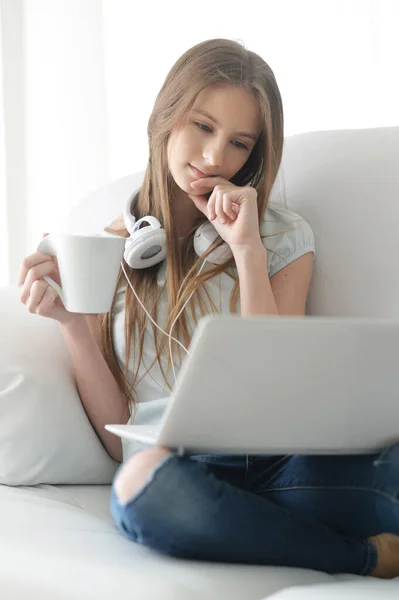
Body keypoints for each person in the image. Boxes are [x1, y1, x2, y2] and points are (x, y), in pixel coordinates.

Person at [18, 38, 399, 578]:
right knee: (138, 487)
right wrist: (71, 325)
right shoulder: (105, 253)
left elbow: (277, 374)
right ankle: (359, 556)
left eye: (240, 143)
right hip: (177, 473)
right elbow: (114, 438)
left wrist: (246, 250)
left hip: (280, 465)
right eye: (203, 127)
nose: (217, 157)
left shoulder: (281, 237)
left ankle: (253, 526)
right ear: (166, 118)